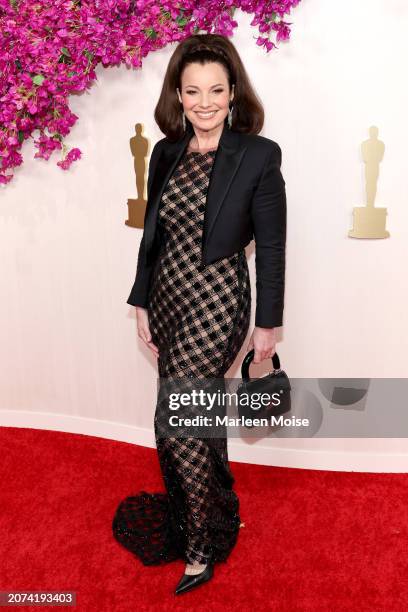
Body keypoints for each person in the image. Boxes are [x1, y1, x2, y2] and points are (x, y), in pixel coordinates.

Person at [112, 32, 287, 595]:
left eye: (216, 89)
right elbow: (152, 237)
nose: (204, 102)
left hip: (218, 300)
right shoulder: (165, 151)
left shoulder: (259, 154)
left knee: (177, 417)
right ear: (178, 95)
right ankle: (217, 511)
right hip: (167, 295)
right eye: (193, 91)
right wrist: (140, 298)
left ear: (233, 91)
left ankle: (199, 545)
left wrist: (269, 323)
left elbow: (274, 246)